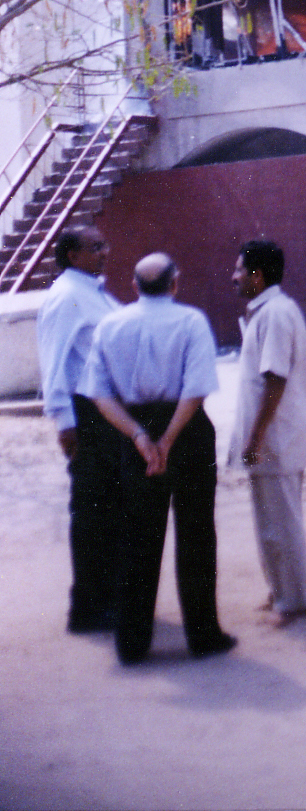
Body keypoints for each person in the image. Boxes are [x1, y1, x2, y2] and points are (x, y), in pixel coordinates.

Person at [80, 252, 236, 665]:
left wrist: (139, 437)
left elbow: (99, 394)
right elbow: (196, 388)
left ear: (134, 286)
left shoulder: (111, 325)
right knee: (196, 533)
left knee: (137, 537)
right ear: (175, 283)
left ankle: (131, 643)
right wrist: (168, 440)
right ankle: (203, 635)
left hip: (136, 433)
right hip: (187, 432)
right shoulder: (191, 321)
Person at [35, 224, 122, 633]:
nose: (104, 252)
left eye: (104, 244)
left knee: (111, 509)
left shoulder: (95, 292)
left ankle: (110, 598)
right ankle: (88, 608)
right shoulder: (67, 296)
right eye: (95, 247)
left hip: (108, 413)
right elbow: (54, 362)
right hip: (85, 415)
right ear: (73, 255)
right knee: (91, 512)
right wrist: (64, 421)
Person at [229, 239, 306, 626]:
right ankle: (281, 592)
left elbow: (275, 380)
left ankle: (295, 601)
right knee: (271, 522)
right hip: (273, 438)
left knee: (280, 524)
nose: (233, 277)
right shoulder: (267, 312)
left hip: (276, 439)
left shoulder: (276, 314)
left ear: (257, 275)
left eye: (239, 270)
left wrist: (255, 438)